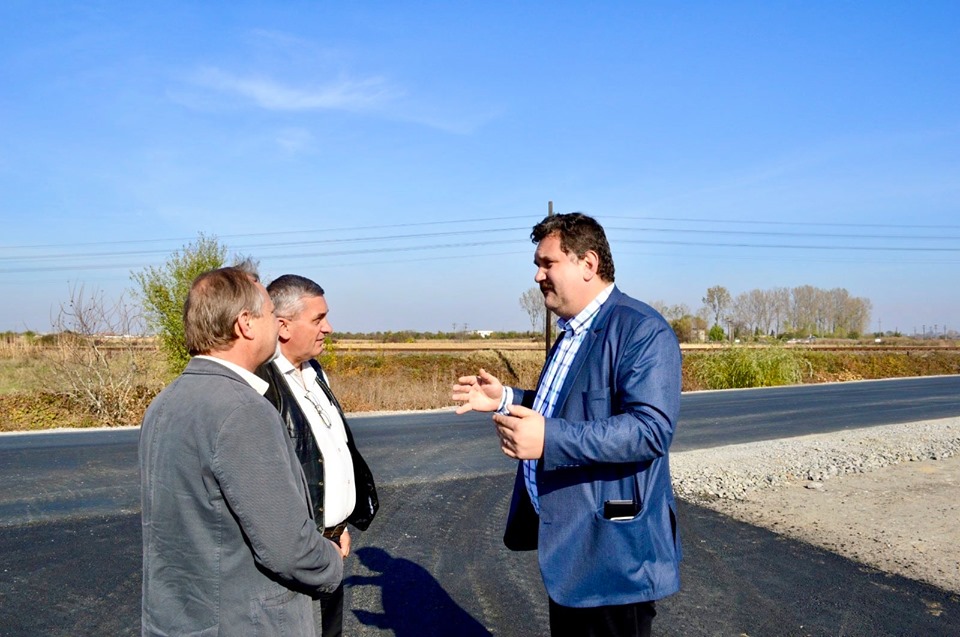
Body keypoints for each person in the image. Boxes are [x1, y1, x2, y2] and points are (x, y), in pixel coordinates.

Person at [452, 213, 682, 637]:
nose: (538, 275)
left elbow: (650, 430)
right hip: (574, 550)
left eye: (547, 263)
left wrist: (548, 438)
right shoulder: (573, 332)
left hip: (612, 558)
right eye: (537, 265)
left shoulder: (642, 330)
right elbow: (565, 407)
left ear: (588, 264)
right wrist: (505, 399)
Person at [139, 263, 343, 637]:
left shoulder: (166, 402)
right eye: (270, 314)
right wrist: (331, 559)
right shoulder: (243, 411)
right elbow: (288, 550)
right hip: (242, 623)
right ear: (245, 324)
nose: (277, 325)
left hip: (181, 622)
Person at [255, 274, 379, 637]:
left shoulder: (315, 372)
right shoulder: (261, 385)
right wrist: (314, 538)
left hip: (329, 547)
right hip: (298, 554)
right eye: (318, 319)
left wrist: (338, 527)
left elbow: (330, 451)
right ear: (283, 327)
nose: (328, 328)